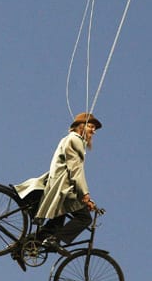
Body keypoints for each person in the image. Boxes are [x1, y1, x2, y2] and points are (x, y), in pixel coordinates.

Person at [13, 112, 101, 268]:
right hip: (63, 189)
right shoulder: (75, 140)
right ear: (81, 125)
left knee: (55, 224)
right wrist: (85, 195)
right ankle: (53, 240)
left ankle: (23, 246)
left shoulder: (69, 140)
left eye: (95, 128)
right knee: (84, 218)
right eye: (91, 126)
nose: (93, 131)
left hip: (62, 188)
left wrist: (85, 197)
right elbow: (75, 170)